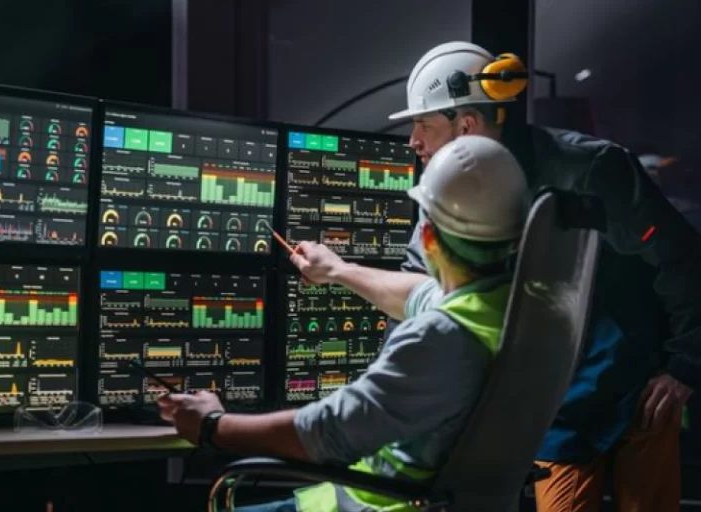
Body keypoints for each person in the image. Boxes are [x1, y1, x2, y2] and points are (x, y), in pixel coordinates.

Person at [377, 41, 700, 511]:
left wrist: (684, 366)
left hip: (642, 385)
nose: (413, 141)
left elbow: (682, 256)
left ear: (466, 124)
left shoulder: (591, 170)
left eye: (422, 124)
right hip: (557, 403)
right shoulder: (444, 191)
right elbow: (416, 282)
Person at [157, 135, 531, 512]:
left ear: (428, 237)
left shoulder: (440, 337)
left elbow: (325, 434)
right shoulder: (513, 310)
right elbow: (416, 293)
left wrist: (211, 424)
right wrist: (337, 270)